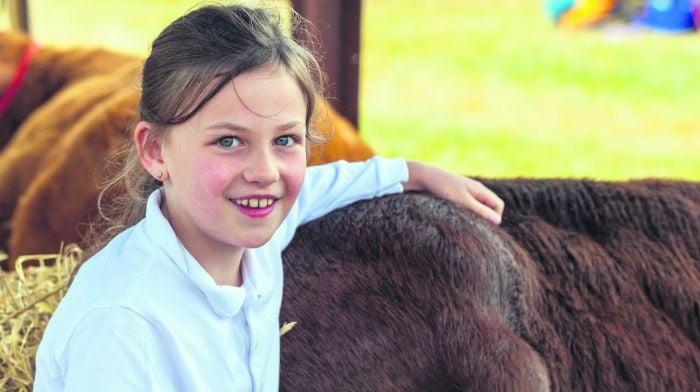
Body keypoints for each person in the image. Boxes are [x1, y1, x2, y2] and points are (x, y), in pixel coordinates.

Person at [34, 3, 504, 391]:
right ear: (156, 152)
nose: (265, 174)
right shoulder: (122, 325)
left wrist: (411, 173)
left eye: (285, 140)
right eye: (228, 141)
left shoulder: (246, 236)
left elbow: (317, 187)